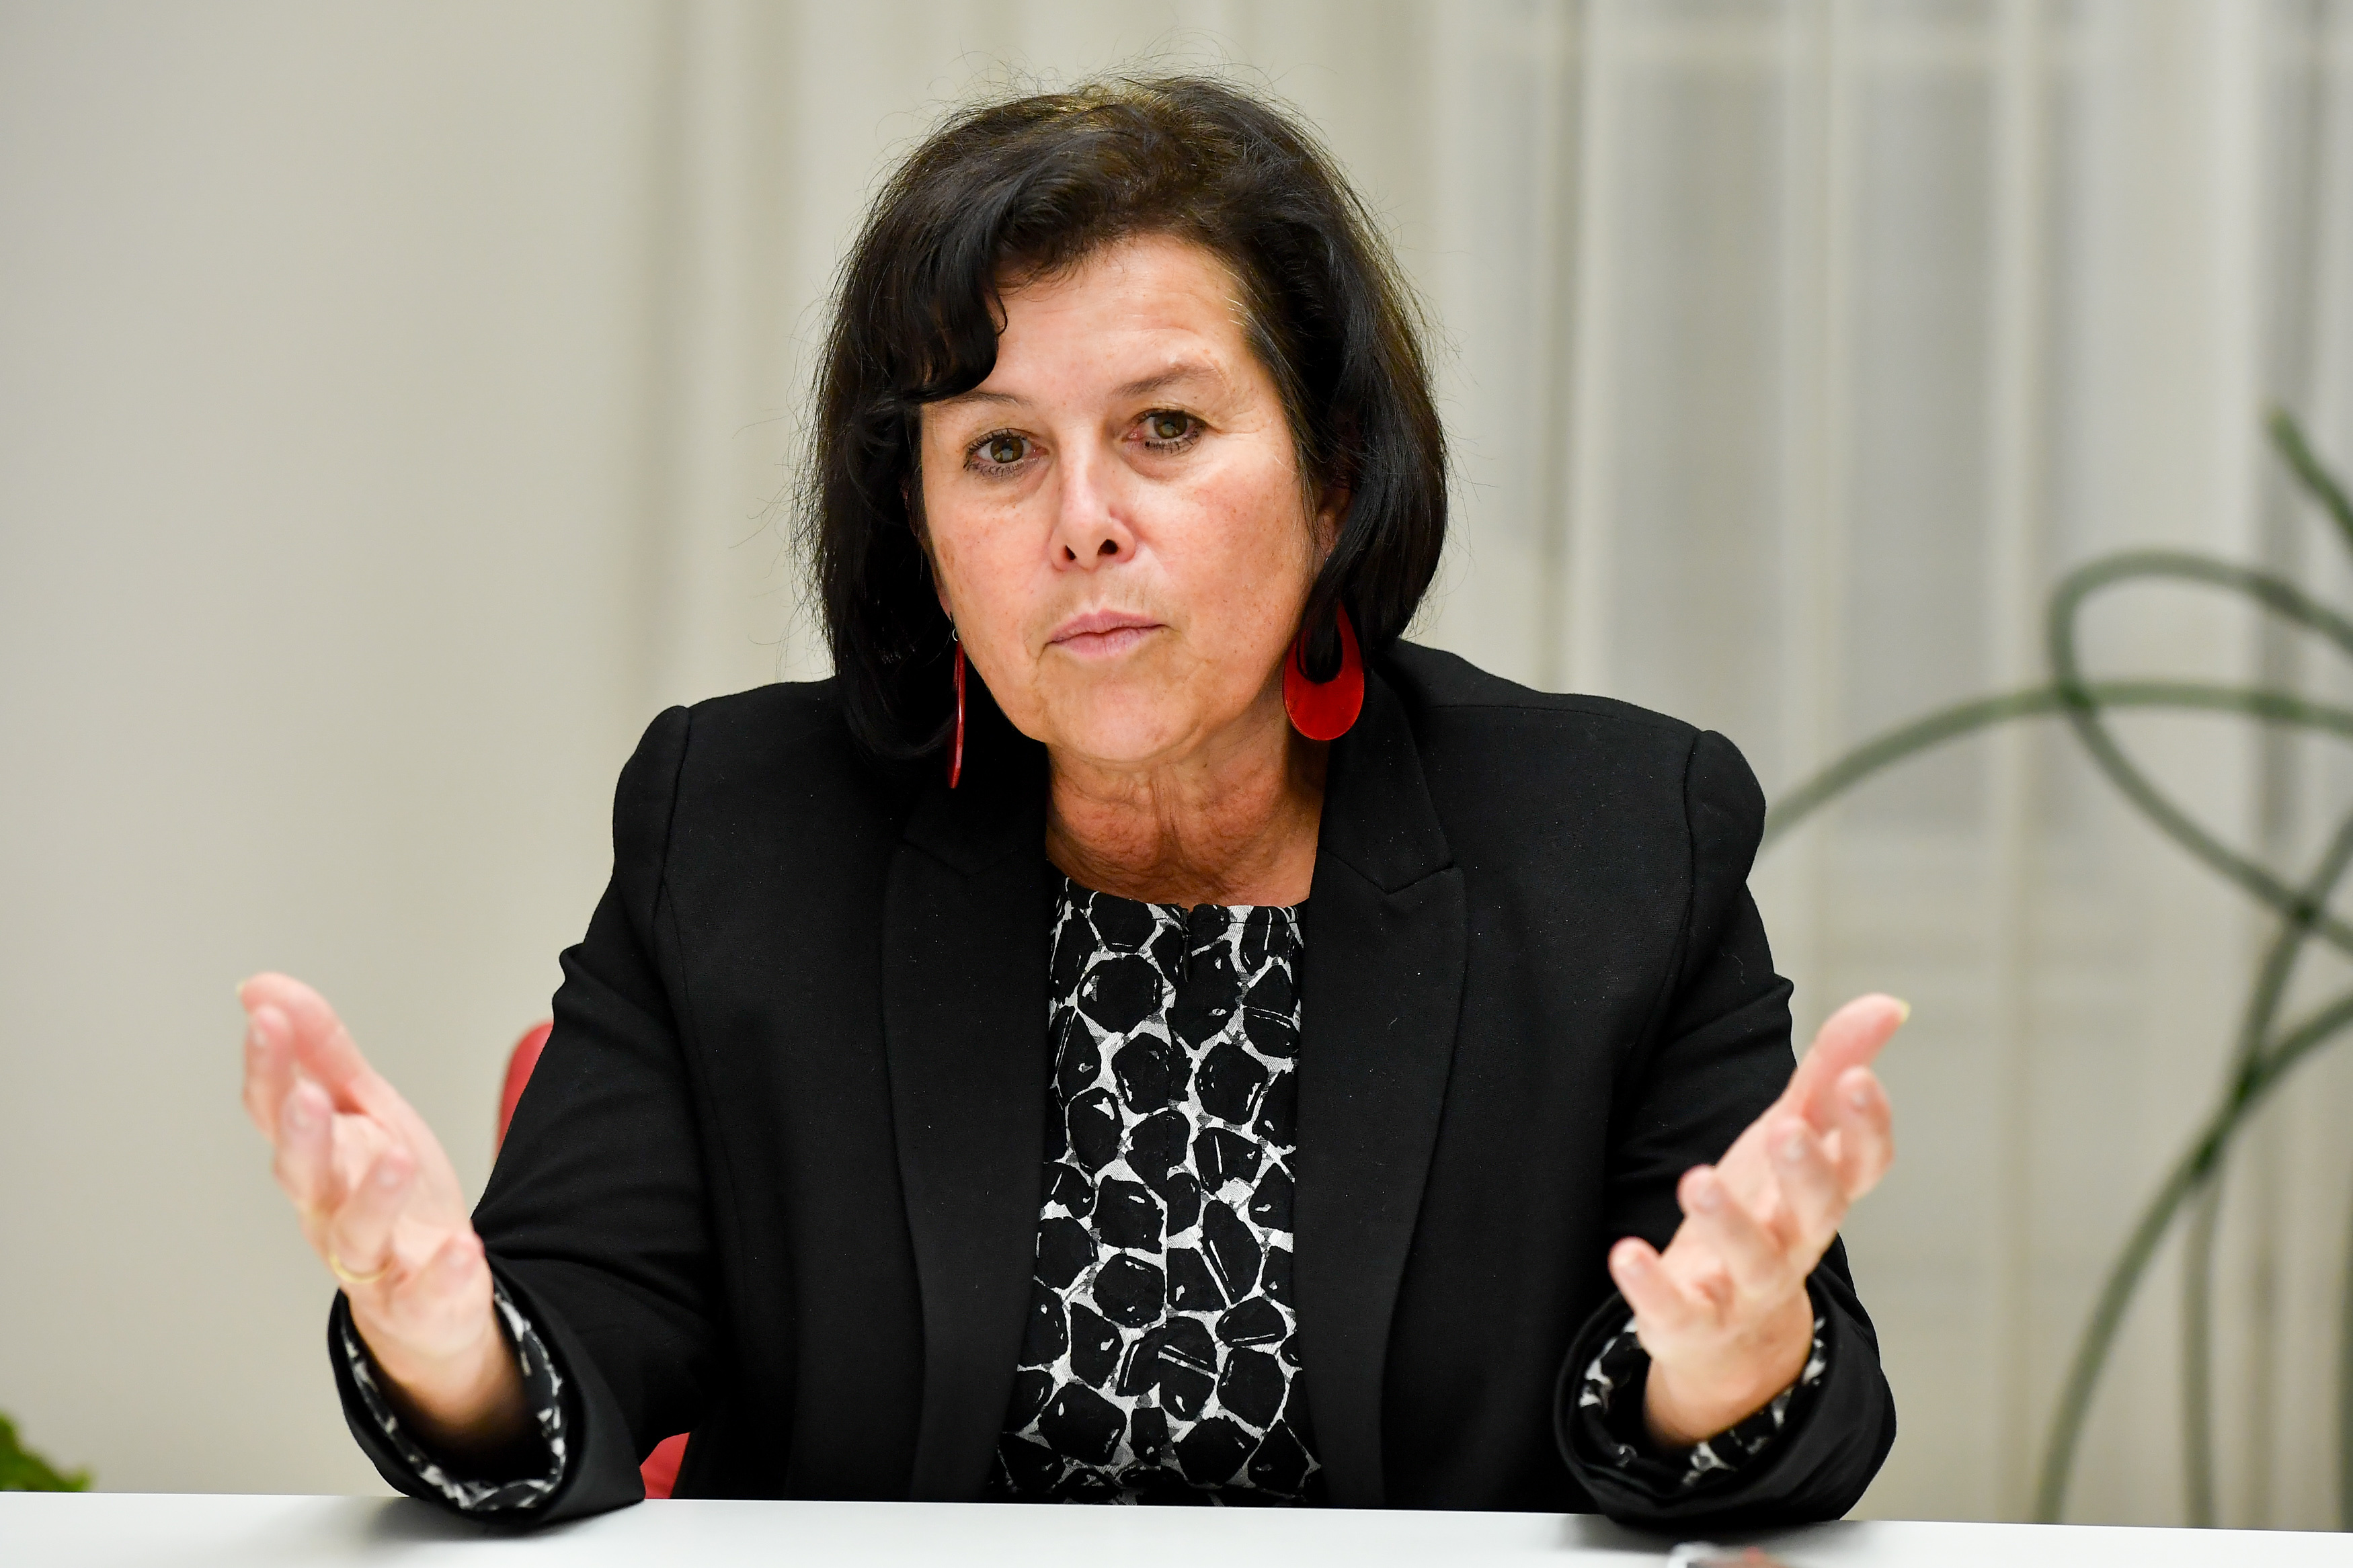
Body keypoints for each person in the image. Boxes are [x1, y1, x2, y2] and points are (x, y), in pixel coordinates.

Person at [237, 74, 1901, 1528]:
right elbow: (569, 1353)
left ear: (1332, 477)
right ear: (921, 525)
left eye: (1164, 428)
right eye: (1000, 450)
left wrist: (1726, 1360)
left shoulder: (1616, 836)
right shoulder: (739, 828)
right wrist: (444, 1335)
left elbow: (1754, 1393)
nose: (1082, 520)